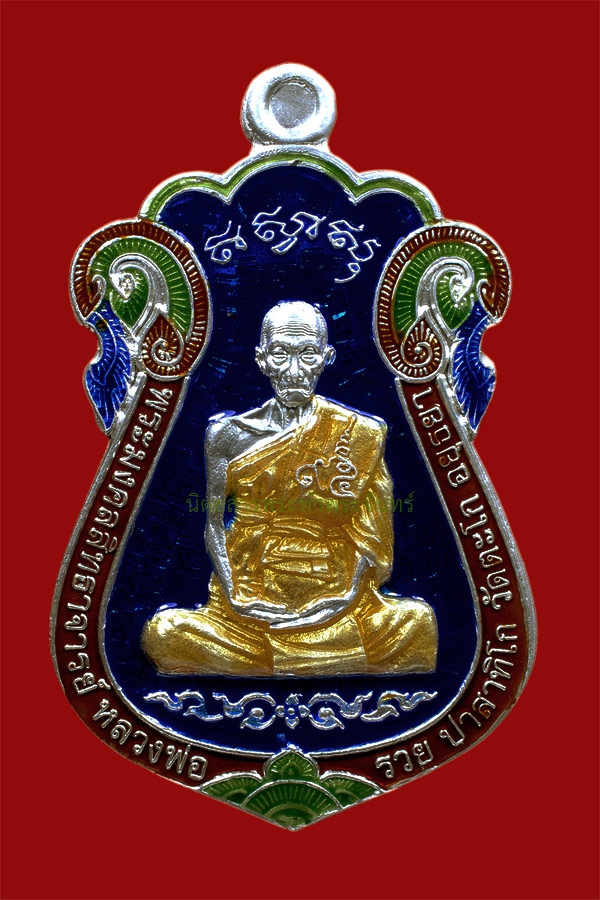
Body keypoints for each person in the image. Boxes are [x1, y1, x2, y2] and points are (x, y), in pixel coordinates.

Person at [142, 301, 437, 676]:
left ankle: (275, 664)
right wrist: (235, 596)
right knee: (164, 632)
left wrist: (345, 597)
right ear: (262, 359)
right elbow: (213, 525)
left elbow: (372, 534)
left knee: (418, 623)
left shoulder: (359, 433)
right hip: (251, 601)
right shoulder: (227, 435)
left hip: (336, 599)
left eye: (307, 354)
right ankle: (318, 663)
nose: (294, 371)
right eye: (281, 354)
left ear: (326, 359)